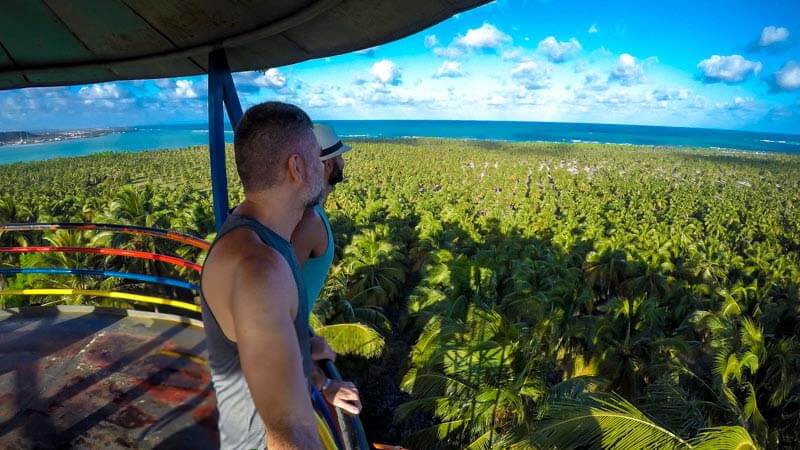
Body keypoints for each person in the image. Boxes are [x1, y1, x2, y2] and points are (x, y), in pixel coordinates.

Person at [200, 102, 325, 449]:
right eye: (317, 156)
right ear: (297, 167)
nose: (323, 165)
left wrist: (304, 345)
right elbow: (289, 430)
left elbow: (253, 343)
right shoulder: (260, 269)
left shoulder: (257, 237)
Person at [292, 124, 362, 416]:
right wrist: (320, 382)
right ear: (328, 164)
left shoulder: (306, 213)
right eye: (341, 157)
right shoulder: (309, 221)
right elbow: (270, 306)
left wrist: (305, 343)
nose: (344, 162)